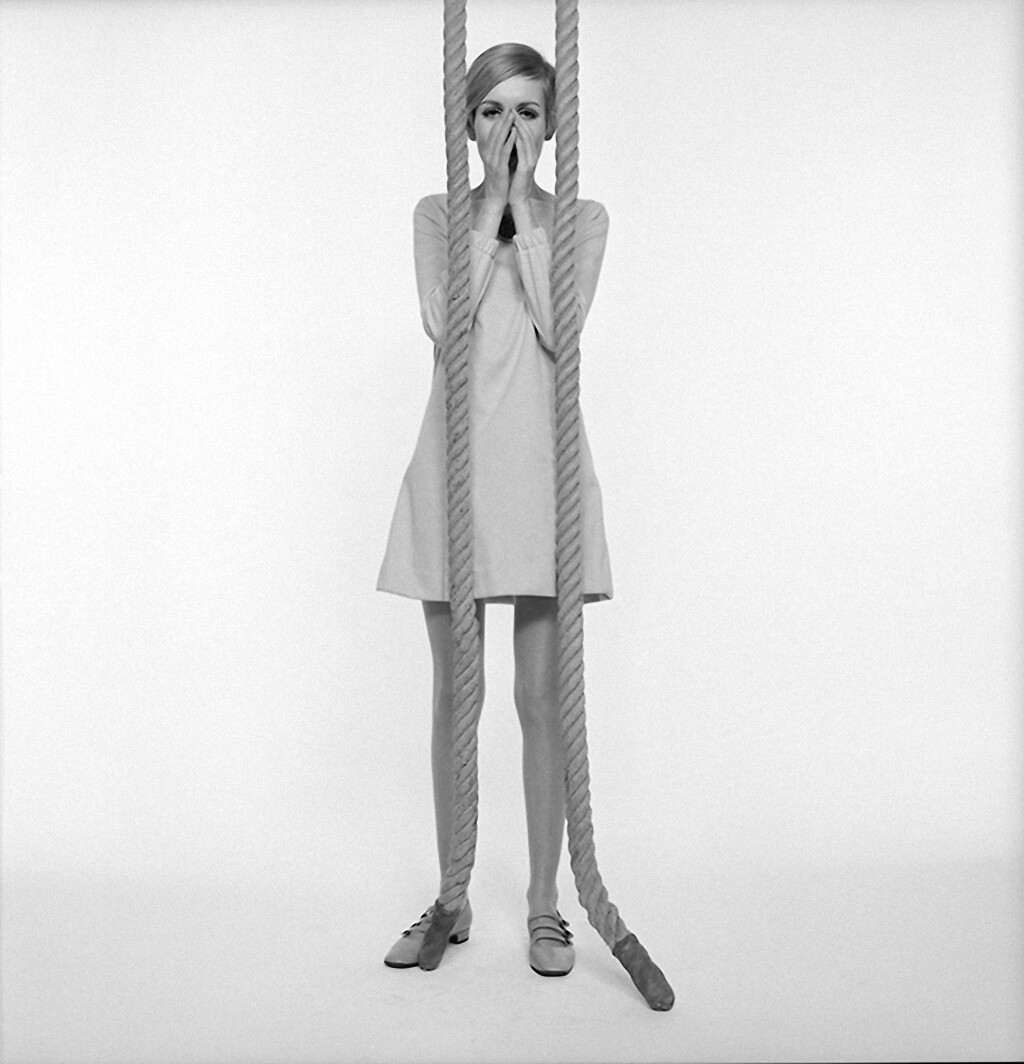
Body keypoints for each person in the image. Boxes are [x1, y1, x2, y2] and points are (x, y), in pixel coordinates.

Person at [377, 42, 611, 978]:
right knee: (456, 697)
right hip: (457, 475)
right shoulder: (438, 215)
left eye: (527, 111)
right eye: (491, 111)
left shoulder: (582, 219)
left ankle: (547, 907)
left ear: (552, 126)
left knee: (541, 699)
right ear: (467, 124)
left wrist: (523, 208)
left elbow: (562, 328)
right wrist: (489, 212)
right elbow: (447, 324)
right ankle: (452, 894)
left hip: (543, 477)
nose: (509, 129)